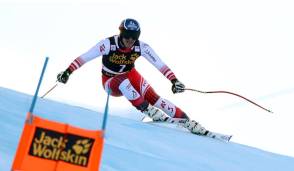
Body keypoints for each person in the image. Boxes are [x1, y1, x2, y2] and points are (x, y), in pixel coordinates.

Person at [57, 18, 208, 135]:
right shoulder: (108, 44)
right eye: (127, 36)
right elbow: (84, 57)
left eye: (134, 37)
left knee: (153, 97)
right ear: (121, 34)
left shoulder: (141, 47)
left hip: (131, 75)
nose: (130, 40)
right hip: (110, 82)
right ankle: (148, 110)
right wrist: (67, 72)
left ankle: (185, 119)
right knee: (122, 80)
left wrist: (174, 80)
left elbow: (159, 64)